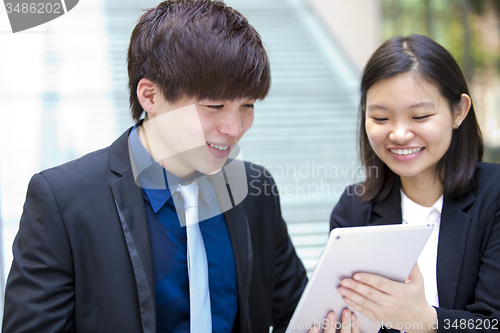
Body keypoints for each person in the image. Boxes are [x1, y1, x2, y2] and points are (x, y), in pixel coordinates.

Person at [2, 1, 308, 332]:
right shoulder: (63, 201)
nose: (234, 128)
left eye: (246, 105)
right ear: (150, 96)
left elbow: (298, 313)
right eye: (214, 106)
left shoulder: (253, 188)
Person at [329, 34, 500, 333]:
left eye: (420, 116)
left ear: (459, 111)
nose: (399, 134)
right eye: (381, 118)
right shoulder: (354, 209)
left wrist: (427, 321)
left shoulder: (494, 196)